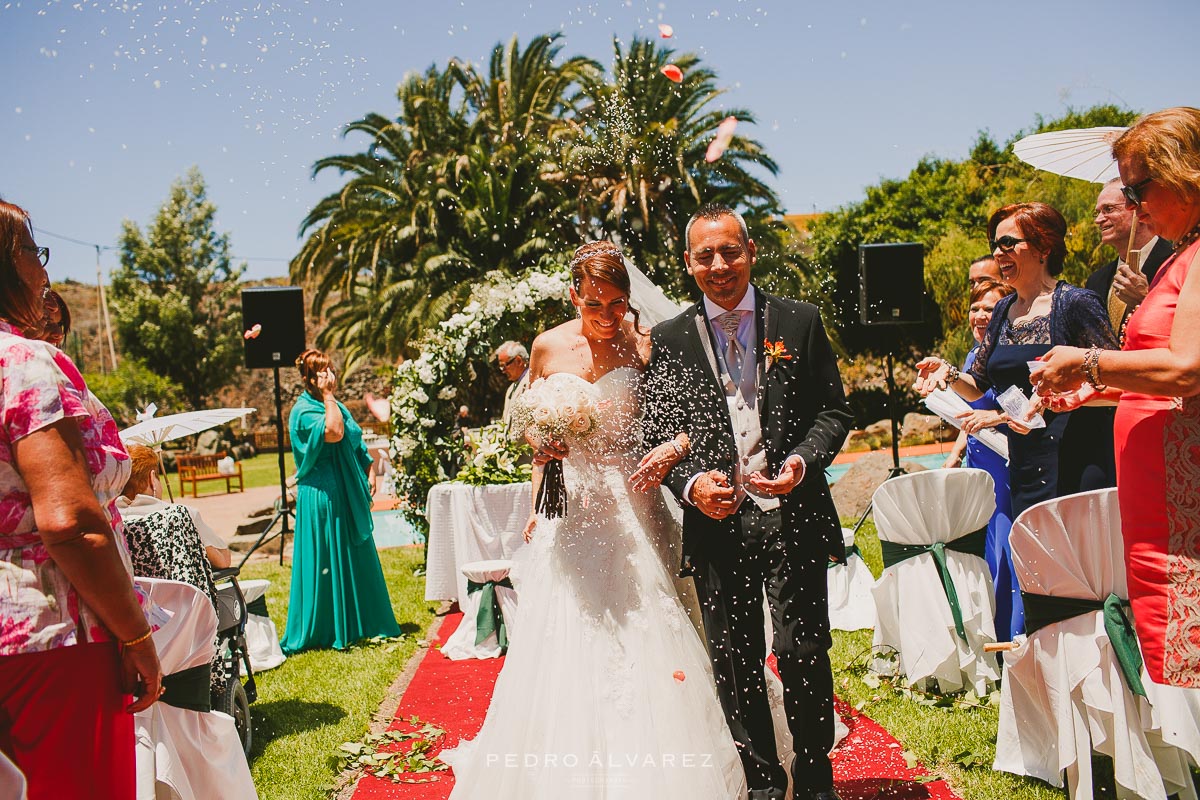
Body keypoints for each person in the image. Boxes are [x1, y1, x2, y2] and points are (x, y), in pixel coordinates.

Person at [442, 240, 748, 799]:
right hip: (575, 506)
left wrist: (674, 451)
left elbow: (686, 419)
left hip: (637, 499)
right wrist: (545, 457)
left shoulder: (648, 346)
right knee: (571, 627)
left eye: (618, 305)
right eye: (595, 306)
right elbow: (532, 433)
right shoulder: (545, 348)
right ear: (573, 297)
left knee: (654, 619)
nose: (609, 318)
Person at [643, 203, 852, 800]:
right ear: (687, 263)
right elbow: (658, 436)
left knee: (802, 648)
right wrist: (689, 485)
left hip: (794, 515)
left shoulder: (801, 321)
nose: (719, 265)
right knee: (736, 659)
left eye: (730, 251)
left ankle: (815, 780)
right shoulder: (668, 338)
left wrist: (801, 462)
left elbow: (834, 411)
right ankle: (763, 784)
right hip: (717, 527)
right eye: (705, 255)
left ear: (751, 252)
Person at [1032, 107, 1200, 687]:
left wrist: (1088, 360)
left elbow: (1185, 369)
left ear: (1184, 172)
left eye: (1138, 187)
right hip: (1162, 505)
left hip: (1187, 503)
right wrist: (1094, 393)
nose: (1135, 203)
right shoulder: (1185, 254)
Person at [0, 201, 162, 799]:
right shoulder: (21, 364)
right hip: (48, 635)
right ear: (6, 264)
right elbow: (69, 521)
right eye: (33, 253)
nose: (43, 271)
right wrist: (137, 635)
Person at [914, 202, 1119, 518]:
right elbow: (979, 385)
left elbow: (1116, 380)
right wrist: (949, 371)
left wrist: (1056, 397)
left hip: (1076, 461)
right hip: (1024, 463)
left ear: (1044, 246)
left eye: (1008, 243)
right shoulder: (1002, 311)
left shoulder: (1076, 303)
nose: (998, 253)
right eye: (995, 245)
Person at [279, 349, 400, 654]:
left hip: (344, 489)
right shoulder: (304, 410)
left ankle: (361, 622)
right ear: (310, 378)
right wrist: (328, 396)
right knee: (326, 559)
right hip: (321, 493)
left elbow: (353, 438)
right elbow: (333, 433)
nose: (329, 375)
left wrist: (369, 468)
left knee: (352, 552)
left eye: (330, 369)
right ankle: (326, 627)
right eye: (322, 371)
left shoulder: (333, 404)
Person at [943, 278, 1020, 638]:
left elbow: (1014, 407)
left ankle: (1012, 638)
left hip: (1007, 467)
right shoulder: (975, 357)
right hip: (979, 466)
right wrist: (957, 452)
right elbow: (971, 410)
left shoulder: (1008, 358)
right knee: (986, 555)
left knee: (1007, 555)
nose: (979, 315)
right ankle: (989, 637)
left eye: (989, 308)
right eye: (975, 307)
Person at [117, 444, 232, 570]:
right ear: (151, 479)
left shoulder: (111, 521)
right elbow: (223, 561)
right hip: (179, 590)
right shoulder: (180, 515)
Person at [1086, 178, 1173, 338]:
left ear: (1137, 210)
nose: (1098, 220)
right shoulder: (1096, 281)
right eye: (1097, 212)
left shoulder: (1176, 263)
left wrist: (1144, 300)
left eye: (1108, 209)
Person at [494, 340, 529, 433]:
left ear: (518, 361)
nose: (503, 371)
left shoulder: (533, 382)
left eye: (504, 366)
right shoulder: (510, 389)